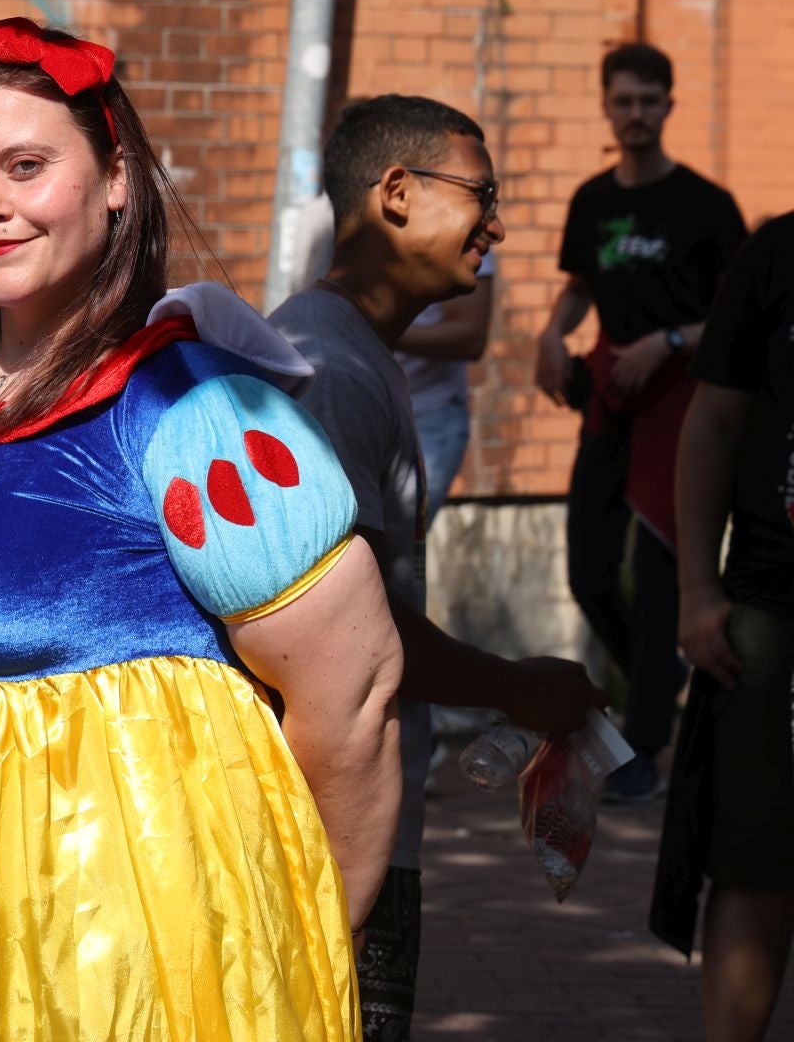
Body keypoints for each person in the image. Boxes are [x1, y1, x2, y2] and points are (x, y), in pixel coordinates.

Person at [0, 18, 404, 1040]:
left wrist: (291, 944)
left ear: (116, 177)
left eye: (26, 165)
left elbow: (351, 695)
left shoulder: (194, 413)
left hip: (108, 975)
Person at [270, 94, 606, 1042]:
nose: (495, 227)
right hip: (334, 836)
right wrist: (517, 687)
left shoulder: (351, 355)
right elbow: (349, 641)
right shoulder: (325, 371)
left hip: (360, 818)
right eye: (482, 196)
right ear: (397, 193)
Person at [534, 43, 747, 804]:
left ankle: (645, 745)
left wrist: (673, 341)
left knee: (659, 580)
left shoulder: (707, 205)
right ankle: (664, 681)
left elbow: (736, 314)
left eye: (648, 102)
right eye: (623, 101)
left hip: (680, 407)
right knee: (590, 572)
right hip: (609, 400)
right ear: (605, 105)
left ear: (669, 105)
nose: (635, 115)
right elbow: (578, 289)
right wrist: (553, 335)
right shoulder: (593, 201)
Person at [650, 212, 794, 1042]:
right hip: (773, 608)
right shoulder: (778, 254)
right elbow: (712, 422)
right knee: (757, 858)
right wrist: (698, 588)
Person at [393, 249, 496, 527]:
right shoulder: (321, 218)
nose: (495, 230)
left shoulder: (468, 238)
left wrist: (380, 330)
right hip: (360, 410)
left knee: (397, 544)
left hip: (428, 415)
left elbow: (470, 336)